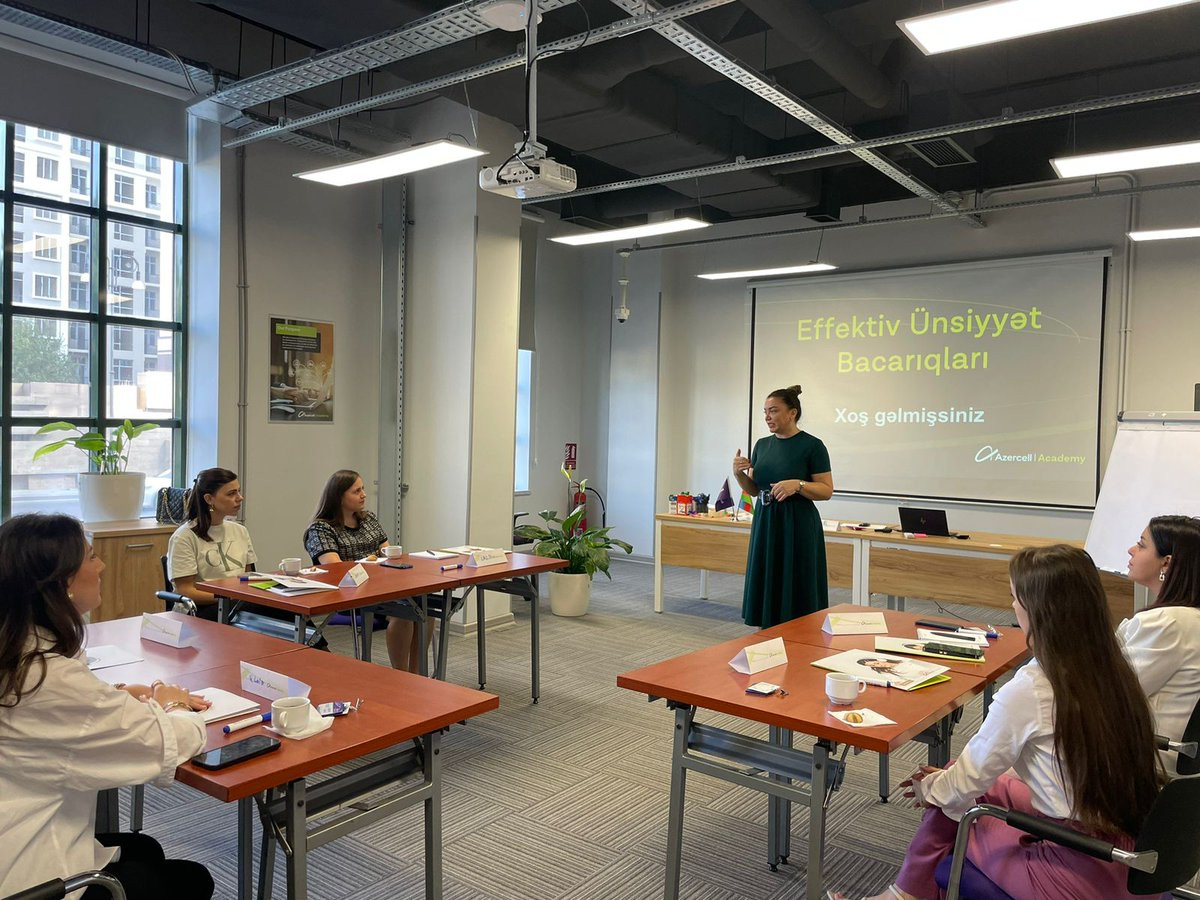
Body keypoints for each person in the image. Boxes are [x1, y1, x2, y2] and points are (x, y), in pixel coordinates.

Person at [835, 545, 1164, 900]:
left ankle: (904, 894)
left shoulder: (1032, 690)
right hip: (1128, 853)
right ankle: (904, 893)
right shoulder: (1112, 669)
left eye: (1014, 598)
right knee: (957, 778)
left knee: (956, 806)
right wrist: (946, 782)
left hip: (1076, 868)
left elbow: (962, 785)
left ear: (1037, 609)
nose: (1012, 607)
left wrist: (928, 789)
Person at [0, 513, 214, 899]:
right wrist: (175, 704)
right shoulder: (48, 678)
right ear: (62, 582)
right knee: (193, 879)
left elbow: (61, 712)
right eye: (92, 556)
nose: (101, 566)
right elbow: (164, 745)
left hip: (19, 819)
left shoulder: (17, 651)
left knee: (144, 849)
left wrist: (115, 693)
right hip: (29, 873)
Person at [304, 470, 429, 673]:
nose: (363, 495)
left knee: (425, 609)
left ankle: (418, 675)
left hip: (380, 588)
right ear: (339, 496)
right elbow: (336, 569)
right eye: (356, 491)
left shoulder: (368, 519)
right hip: (347, 595)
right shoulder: (321, 529)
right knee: (405, 613)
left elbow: (387, 552)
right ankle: (402, 675)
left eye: (363, 489)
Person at [733, 384, 834, 628]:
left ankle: (802, 634)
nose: (768, 417)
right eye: (765, 412)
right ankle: (767, 633)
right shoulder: (762, 445)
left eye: (774, 411)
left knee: (796, 580)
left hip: (797, 523)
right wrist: (738, 474)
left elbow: (826, 490)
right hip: (766, 520)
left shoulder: (813, 446)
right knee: (768, 577)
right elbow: (755, 489)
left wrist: (798, 485)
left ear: (792, 413)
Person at [1120, 514, 1200, 774]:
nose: (1131, 550)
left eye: (1141, 545)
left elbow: (1113, 695)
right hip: (1177, 763)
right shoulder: (1188, 617)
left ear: (1166, 563)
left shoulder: (1167, 623)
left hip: (1148, 764)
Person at [167, 467, 255, 621]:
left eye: (239, 491)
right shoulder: (184, 537)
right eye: (231, 493)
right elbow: (185, 591)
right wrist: (229, 597)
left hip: (234, 603)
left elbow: (247, 576)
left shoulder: (240, 531)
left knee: (280, 612)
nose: (240, 498)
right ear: (209, 499)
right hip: (200, 610)